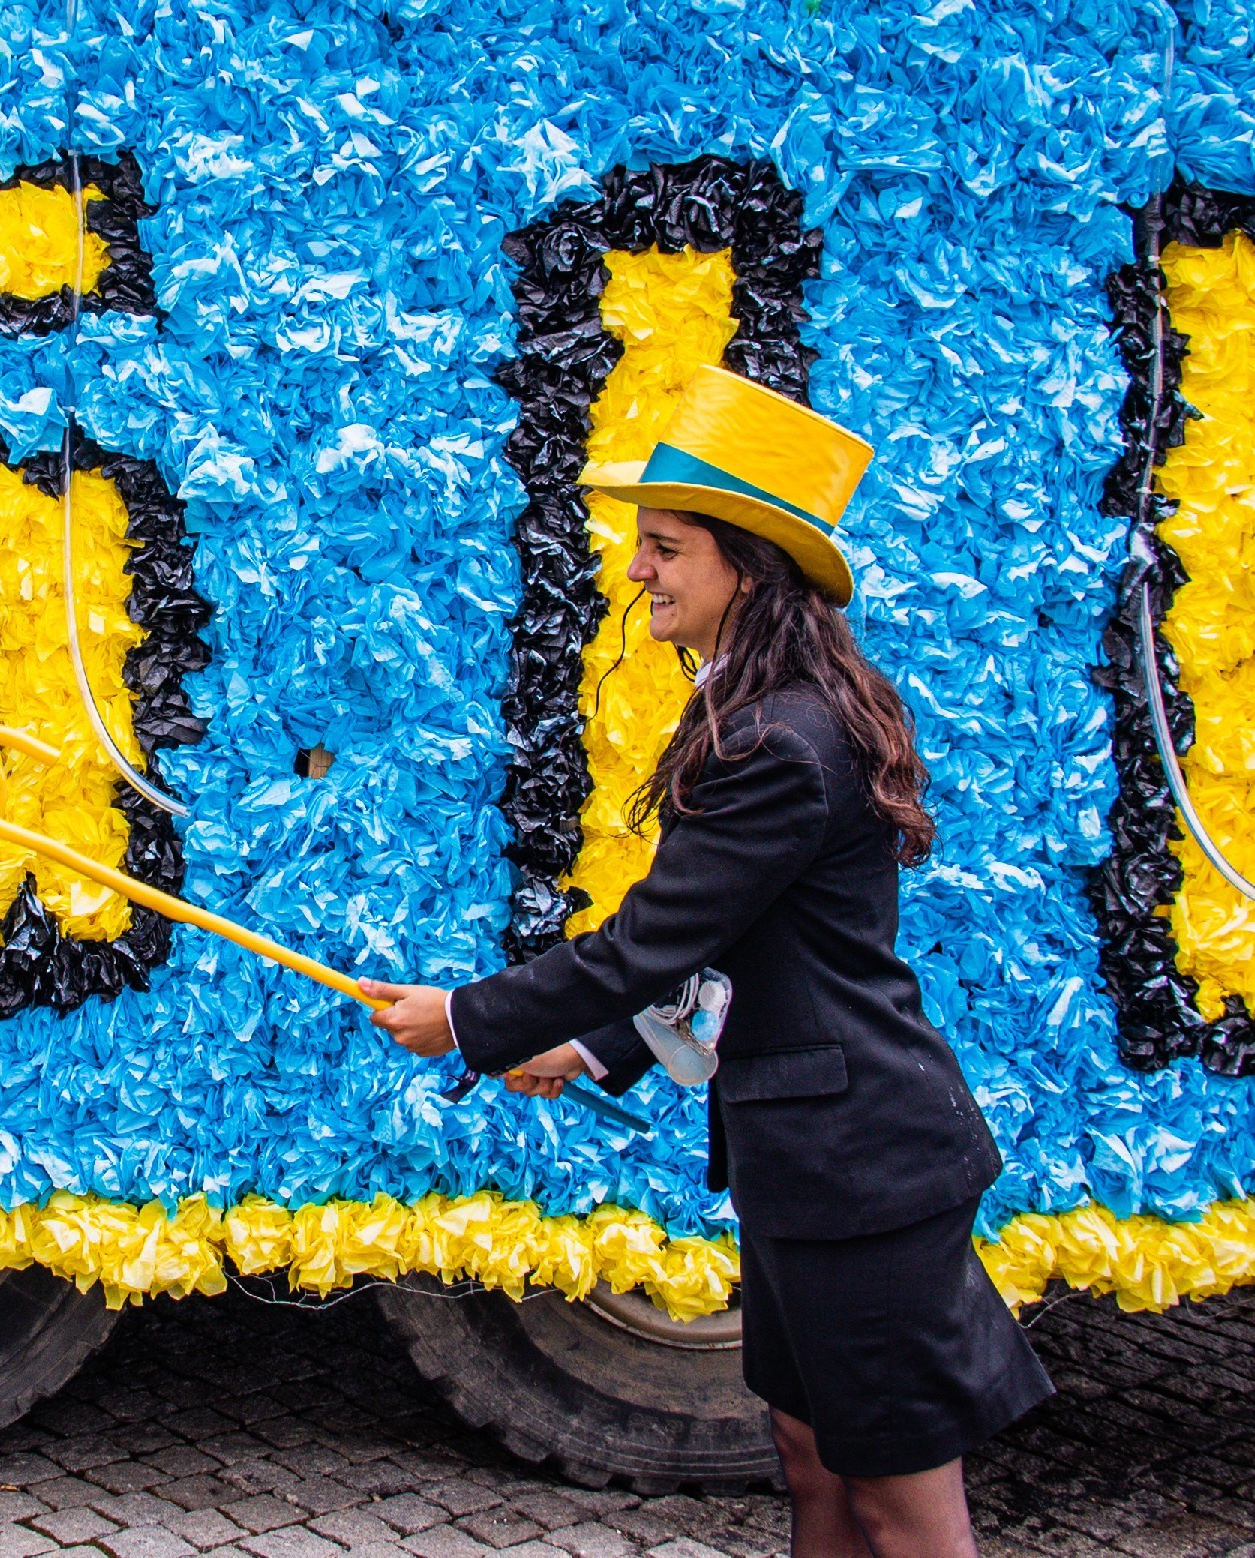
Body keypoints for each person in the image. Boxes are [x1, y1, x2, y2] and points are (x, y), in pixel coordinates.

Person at [361, 366, 1050, 1558]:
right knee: (810, 1456)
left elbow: (657, 939)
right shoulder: (771, 706)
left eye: (667, 547)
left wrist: (472, 1019)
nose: (637, 571)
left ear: (751, 563)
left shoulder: (782, 739)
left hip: (863, 1174)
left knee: (895, 1494)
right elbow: (733, 948)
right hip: (817, 1166)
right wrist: (585, 1044)